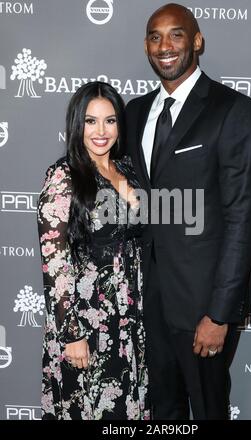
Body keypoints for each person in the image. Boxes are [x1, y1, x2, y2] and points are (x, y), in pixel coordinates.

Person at [126, 3, 251, 420]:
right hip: (147, 304)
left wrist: (220, 313)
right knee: (162, 411)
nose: (164, 45)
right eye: (155, 36)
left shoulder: (233, 111)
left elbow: (244, 217)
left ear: (197, 41)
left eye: (176, 34)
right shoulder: (134, 113)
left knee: (208, 409)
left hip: (204, 307)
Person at [37, 81, 149, 420]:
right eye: (91, 121)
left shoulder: (128, 168)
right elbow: (54, 261)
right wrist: (71, 334)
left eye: (110, 120)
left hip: (130, 318)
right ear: (77, 124)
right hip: (88, 320)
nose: (101, 131)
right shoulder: (64, 176)